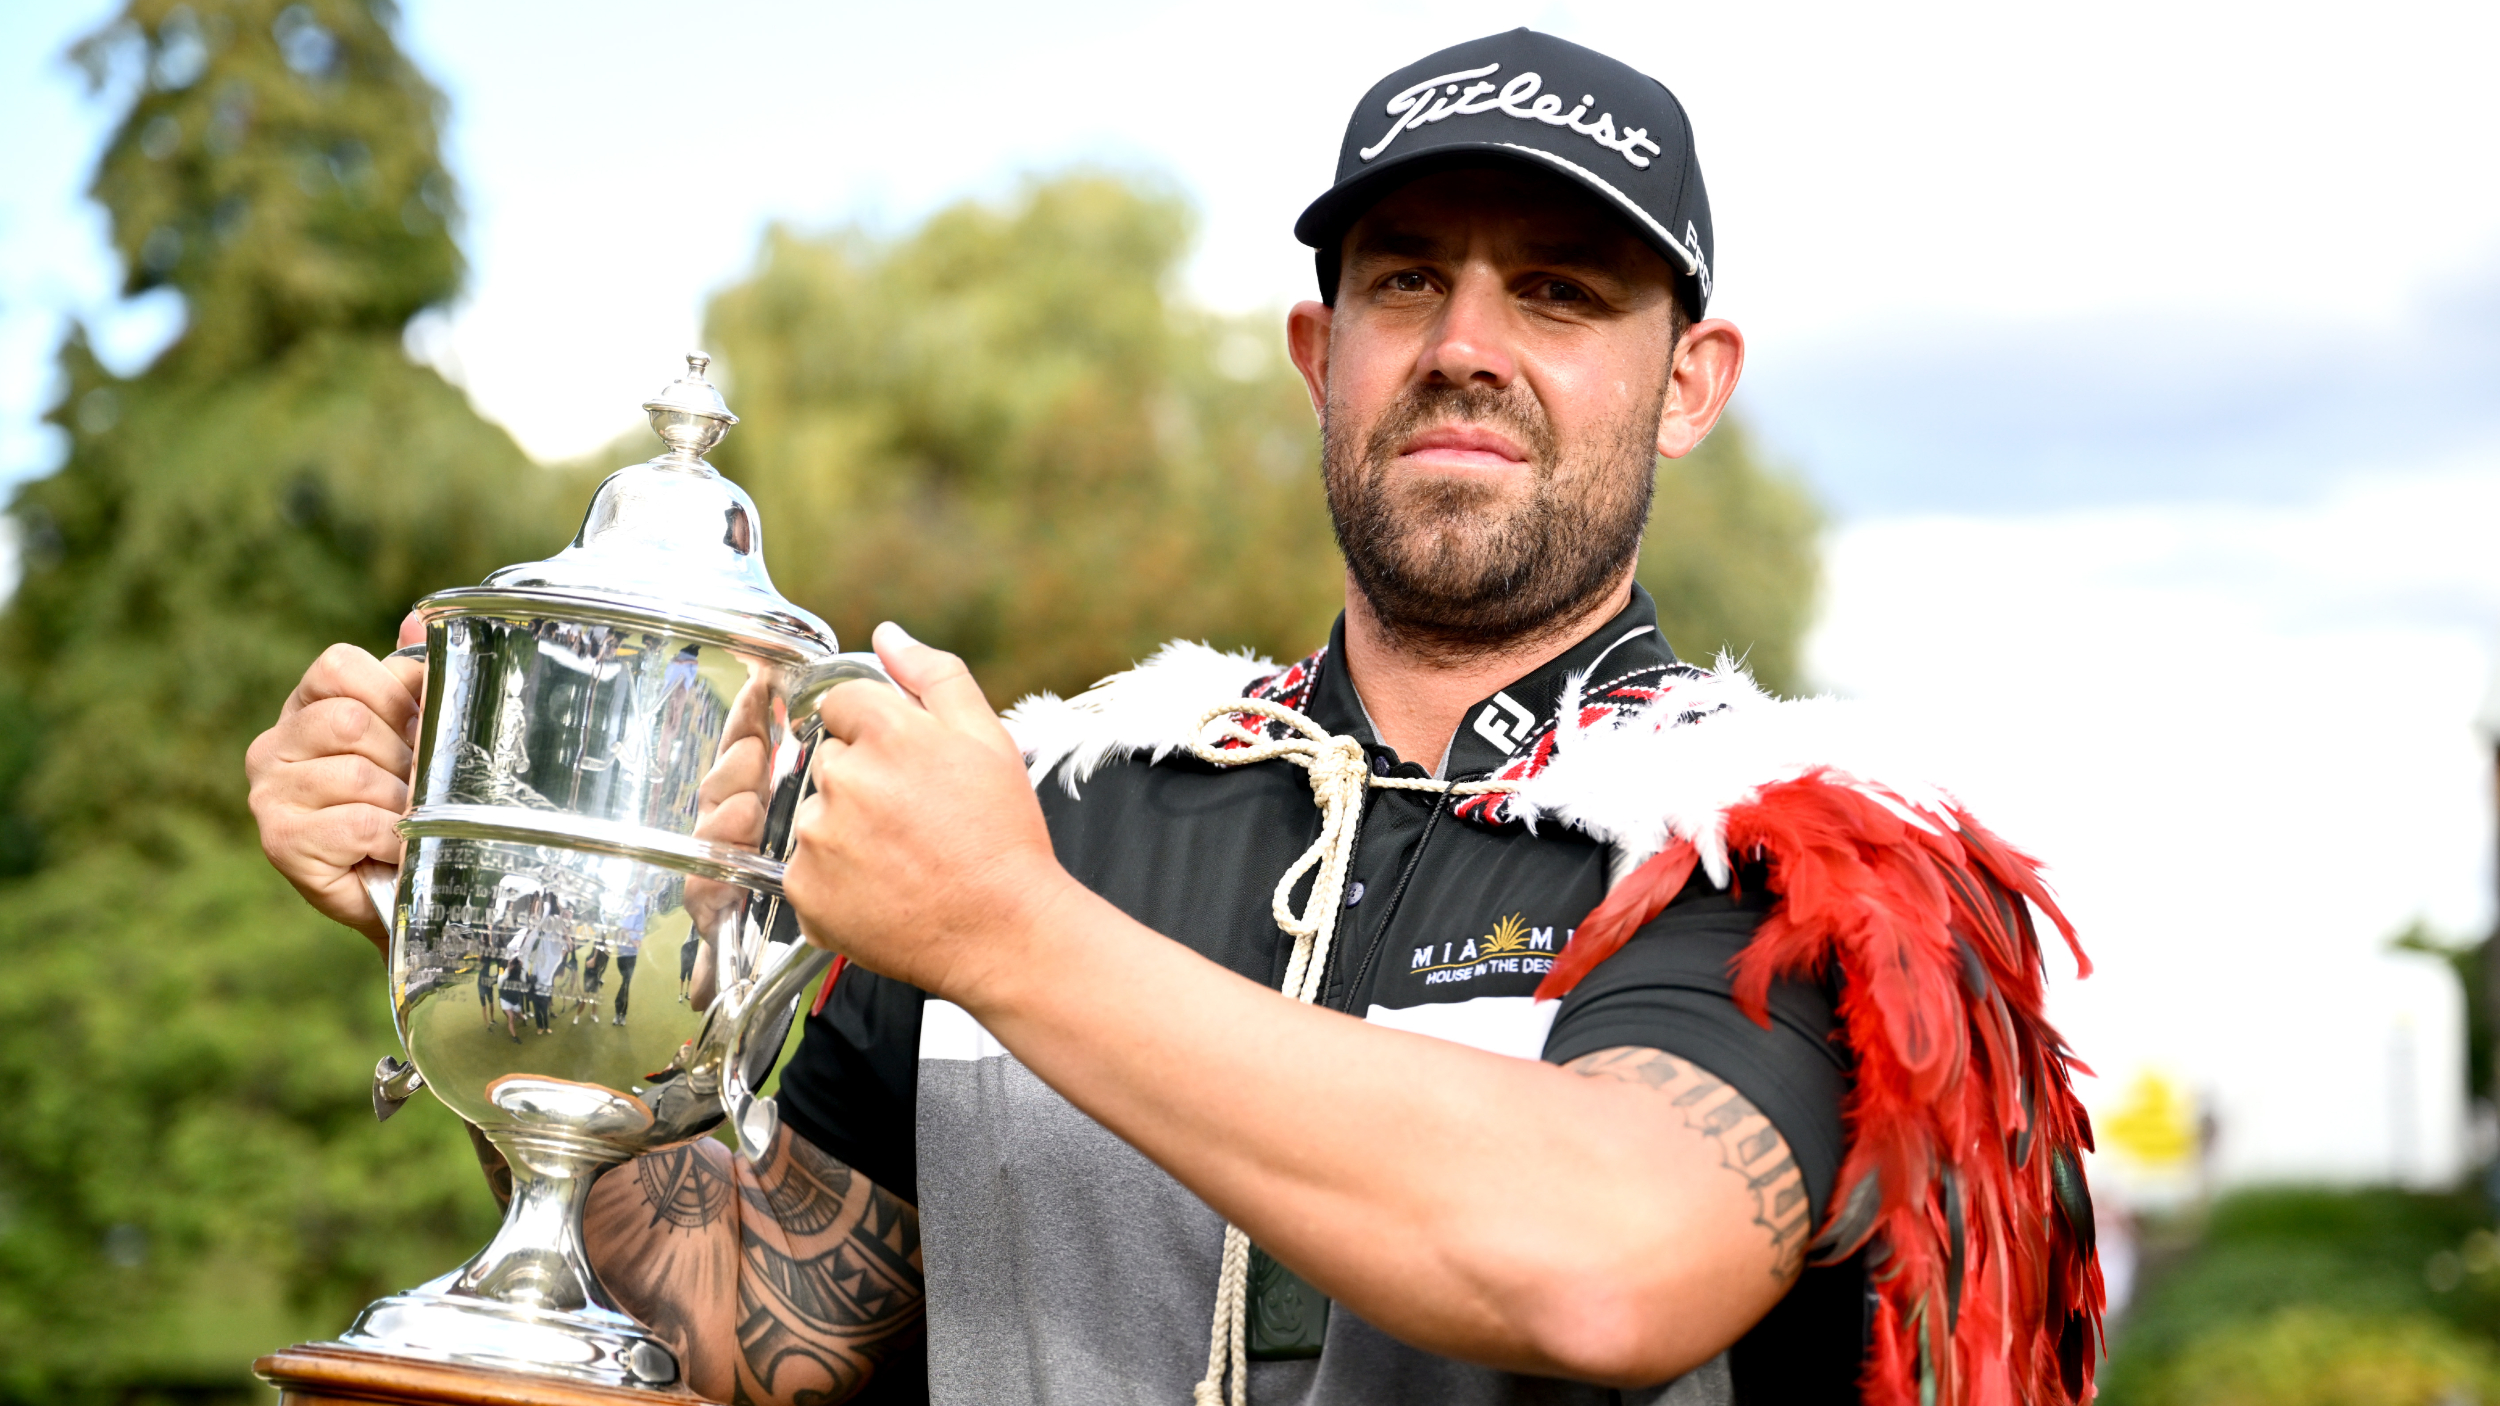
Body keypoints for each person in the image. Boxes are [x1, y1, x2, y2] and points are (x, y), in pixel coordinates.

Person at [243, 29, 2099, 1406]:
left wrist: (1010, 934)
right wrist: (514, 928)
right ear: (1320, 355)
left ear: (1691, 382)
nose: (1466, 342)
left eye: (1558, 292)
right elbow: (746, 1330)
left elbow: (1605, 1263)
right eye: (1405, 279)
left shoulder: (1786, 853)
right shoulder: (1049, 802)